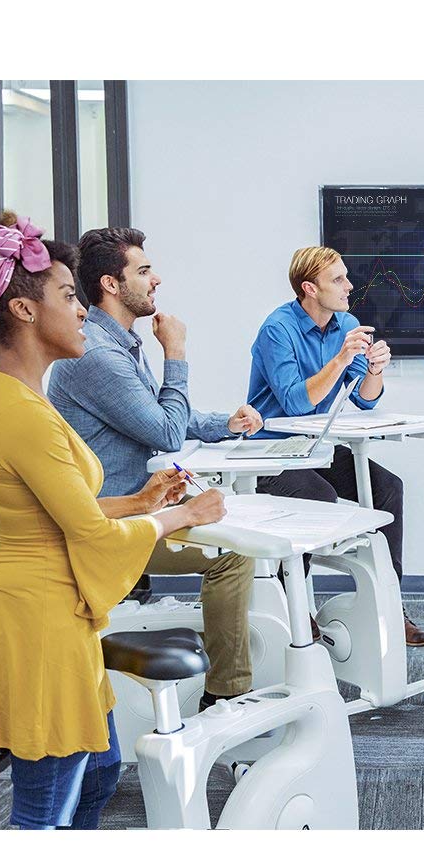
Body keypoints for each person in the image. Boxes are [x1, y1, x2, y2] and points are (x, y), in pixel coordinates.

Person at [0, 204, 225, 828]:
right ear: (24, 309)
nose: (83, 307)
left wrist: (142, 502)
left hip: (45, 610)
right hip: (39, 622)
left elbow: (58, 508)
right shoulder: (21, 411)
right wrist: (183, 514)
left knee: (98, 773)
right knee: (45, 808)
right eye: (67, 293)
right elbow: (86, 532)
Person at [48, 228, 263, 710]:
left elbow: (161, 416)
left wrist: (223, 423)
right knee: (234, 554)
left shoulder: (118, 343)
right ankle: (228, 696)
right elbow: (166, 431)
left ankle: (233, 670)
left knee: (242, 524)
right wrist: (177, 352)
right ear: (110, 283)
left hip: (140, 504)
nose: (156, 279)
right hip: (112, 521)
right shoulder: (98, 356)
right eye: (143, 272)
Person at [247, 246, 424, 646]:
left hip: (314, 448)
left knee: (388, 488)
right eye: (338, 280)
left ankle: (389, 602)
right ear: (309, 288)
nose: (349, 286)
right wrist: (340, 360)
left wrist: (376, 370)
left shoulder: (346, 322)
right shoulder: (277, 329)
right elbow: (296, 401)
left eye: (346, 276)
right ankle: (290, 604)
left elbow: (366, 397)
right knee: (318, 497)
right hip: (270, 452)